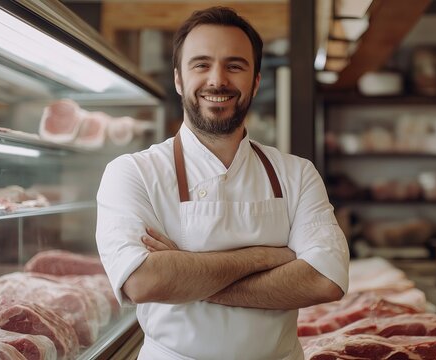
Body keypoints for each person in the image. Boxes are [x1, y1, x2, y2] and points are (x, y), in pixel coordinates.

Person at [95, 6, 349, 360]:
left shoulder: (297, 173)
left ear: (255, 81)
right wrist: (265, 257)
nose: (217, 80)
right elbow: (143, 282)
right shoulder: (132, 172)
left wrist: (185, 275)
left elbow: (326, 280)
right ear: (179, 79)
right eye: (201, 64)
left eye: (234, 66)